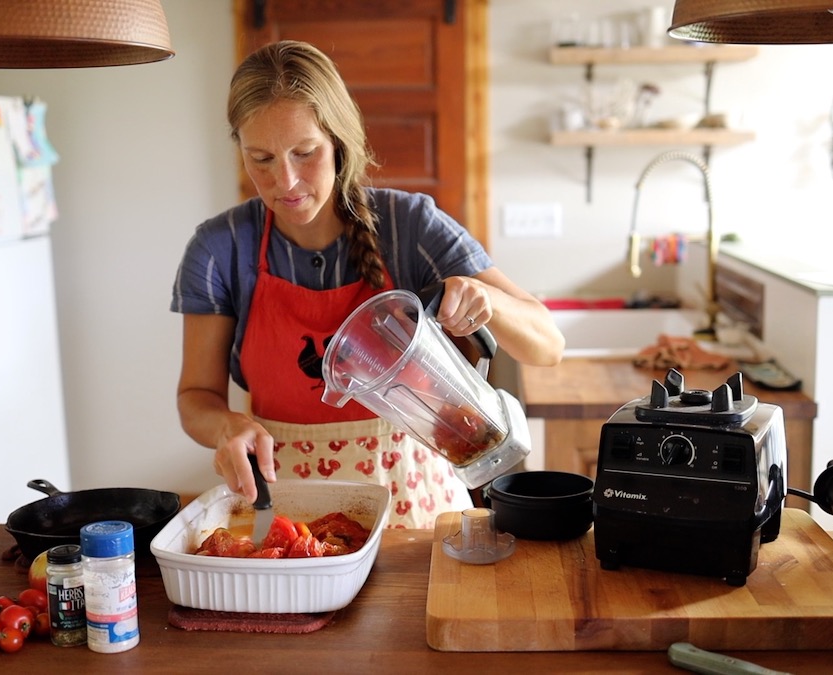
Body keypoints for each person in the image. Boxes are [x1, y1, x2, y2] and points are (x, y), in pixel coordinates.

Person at [172, 40, 564, 528]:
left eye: (304, 152)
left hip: (419, 510)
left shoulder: (409, 226)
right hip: (290, 518)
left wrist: (487, 302)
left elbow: (548, 345)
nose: (286, 182)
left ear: (338, 140)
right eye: (262, 159)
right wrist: (228, 426)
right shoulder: (220, 248)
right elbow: (195, 397)